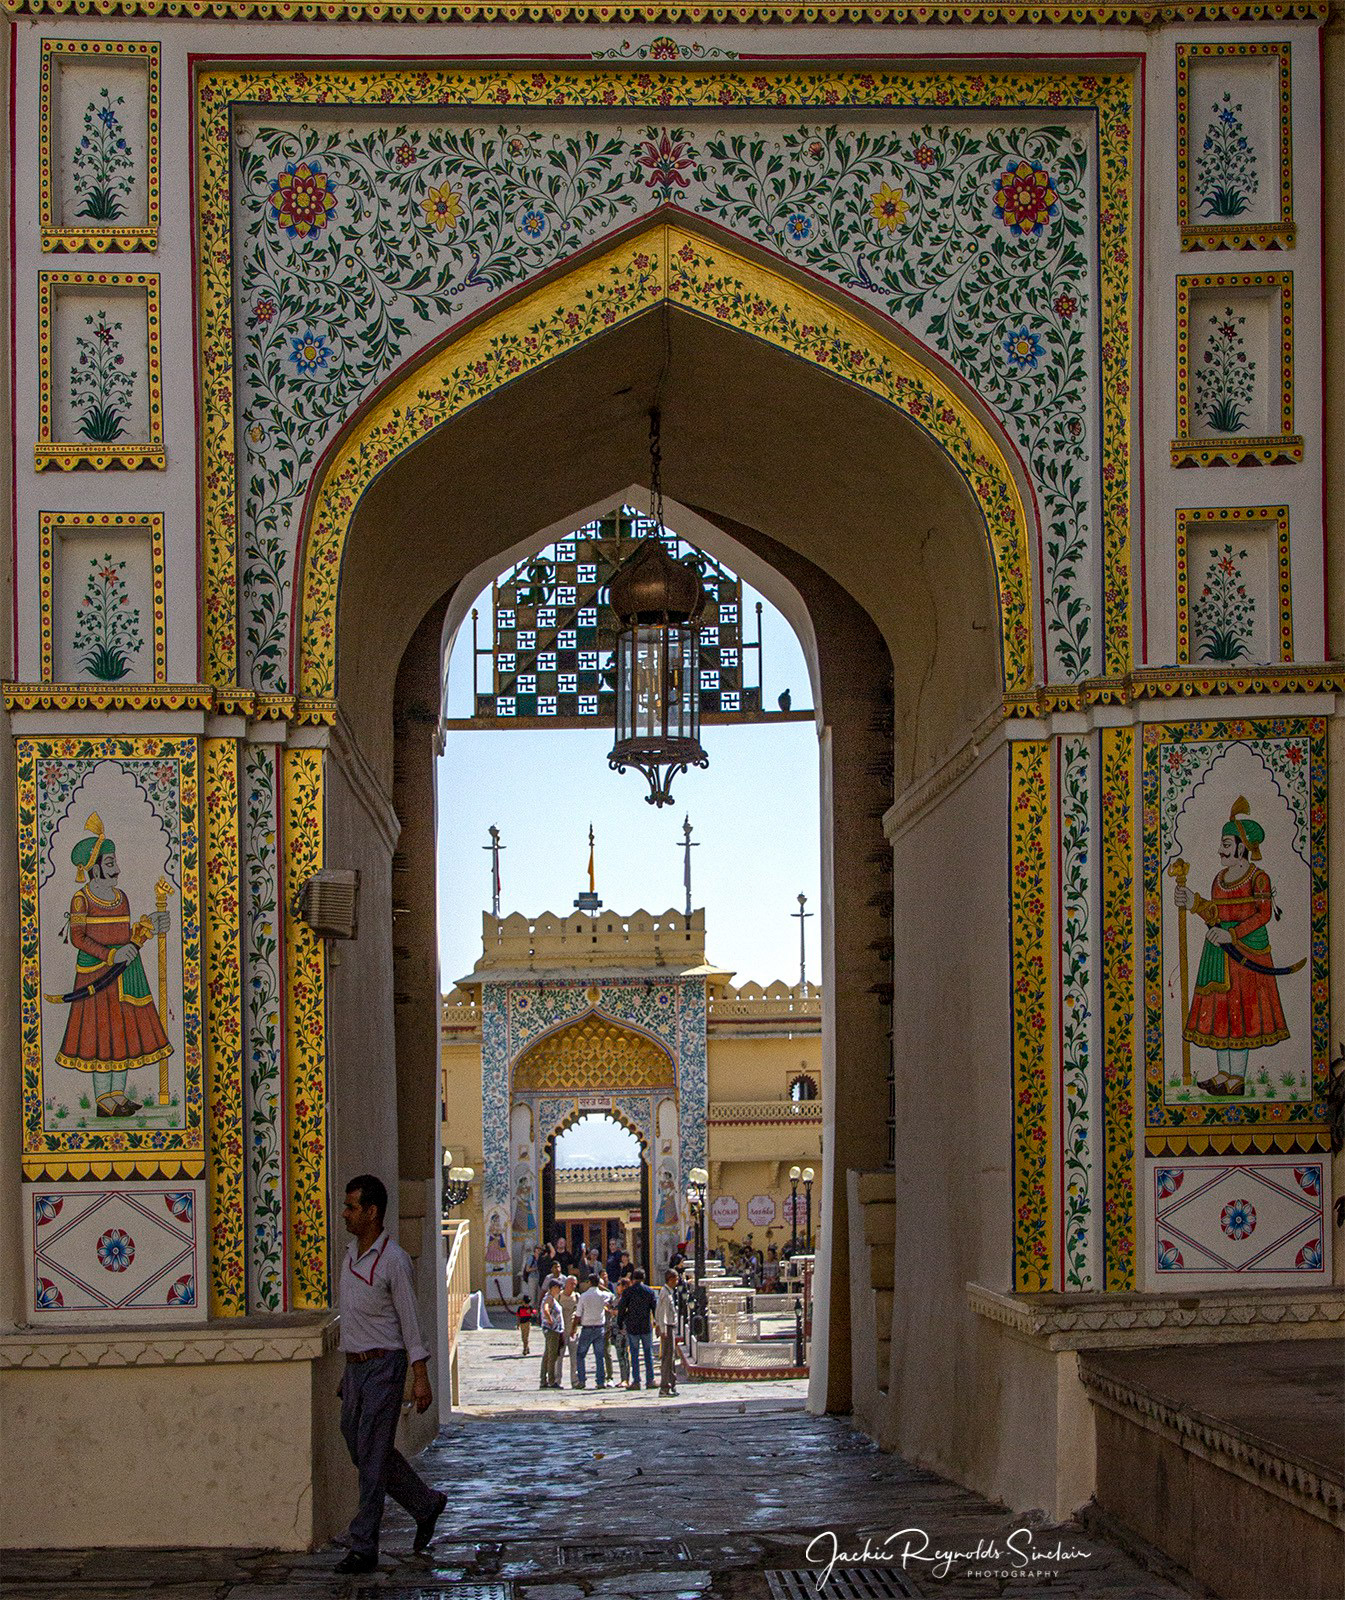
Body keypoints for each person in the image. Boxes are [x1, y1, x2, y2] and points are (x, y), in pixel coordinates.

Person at [335, 1174, 446, 1575]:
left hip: (384, 1366)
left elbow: (410, 1323)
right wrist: (348, 1367)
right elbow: (352, 1315)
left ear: (372, 1212)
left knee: (370, 1454)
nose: (345, 1214)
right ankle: (424, 1503)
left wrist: (420, 1377)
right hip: (356, 1367)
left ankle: (364, 1544)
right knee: (360, 1445)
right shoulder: (350, 1255)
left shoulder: (394, 1261)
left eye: (352, 1207)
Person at [53, 813, 173, 1118]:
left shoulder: (121, 898)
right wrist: (109, 956)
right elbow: (78, 937)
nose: (116, 867)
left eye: (114, 861)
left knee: (122, 1034)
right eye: (109, 863)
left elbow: (128, 936)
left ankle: (118, 1096)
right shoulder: (82, 900)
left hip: (125, 975)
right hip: (96, 976)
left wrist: (148, 927)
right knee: (99, 1036)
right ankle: (103, 1100)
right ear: (92, 869)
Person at [1172, 797, 1292, 1097]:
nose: (1221, 849)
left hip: (1246, 953)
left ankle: (1237, 1078)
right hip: (1217, 953)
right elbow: (1215, 913)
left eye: (1226, 843)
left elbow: (1263, 915)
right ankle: (1223, 1074)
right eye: (1222, 843)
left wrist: (1233, 935)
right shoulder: (1219, 878)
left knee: (1242, 1013)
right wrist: (1193, 902)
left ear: (1243, 845)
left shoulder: (1258, 878)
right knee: (1221, 1012)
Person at [618, 1268, 657, 1390]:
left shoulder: (628, 1292)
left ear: (633, 1278)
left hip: (632, 1326)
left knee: (634, 1354)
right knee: (648, 1353)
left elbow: (622, 1308)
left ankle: (636, 1381)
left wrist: (620, 1323)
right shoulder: (649, 1291)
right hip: (646, 1325)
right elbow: (654, 1309)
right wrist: (657, 1322)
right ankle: (650, 1380)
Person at [572, 1275, 612, 1389]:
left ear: (589, 1282)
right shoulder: (603, 1295)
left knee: (580, 1355)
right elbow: (611, 1295)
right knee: (599, 1355)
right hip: (599, 1328)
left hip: (587, 1327)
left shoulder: (584, 1296)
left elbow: (578, 1314)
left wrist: (573, 1328)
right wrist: (602, 1287)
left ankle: (582, 1380)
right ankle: (600, 1381)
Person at [655, 1268, 680, 1396]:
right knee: (667, 1358)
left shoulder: (668, 1292)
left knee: (671, 1357)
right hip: (667, 1328)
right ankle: (665, 1386)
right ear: (670, 1279)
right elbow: (662, 1312)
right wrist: (663, 1329)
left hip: (670, 1327)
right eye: (676, 1279)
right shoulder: (665, 1293)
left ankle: (671, 1383)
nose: (677, 1281)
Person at [538, 1281, 565, 1389]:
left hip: (552, 1329)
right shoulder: (549, 1298)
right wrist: (550, 1320)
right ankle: (551, 1380)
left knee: (547, 1354)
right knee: (552, 1355)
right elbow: (545, 1309)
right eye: (558, 1288)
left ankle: (543, 1379)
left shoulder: (550, 1298)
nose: (559, 1290)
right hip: (552, 1330)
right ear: (553, 1287)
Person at [557, 1274, 579, 1388]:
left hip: (573, 1330)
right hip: (561, 1330)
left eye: (575, 1284)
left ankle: (574, 1380)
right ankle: (557, 1380)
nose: (573, 1286)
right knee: (559, 1357)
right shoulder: (559, 1296)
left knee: (574, 1357)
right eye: (571, 1283)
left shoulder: (577, 1297)